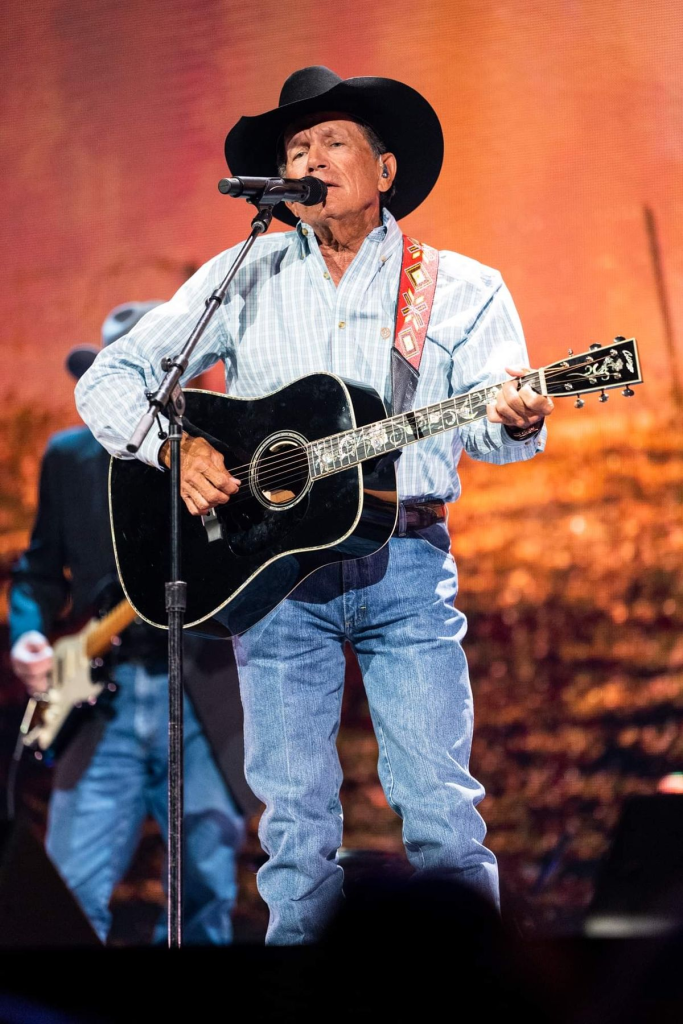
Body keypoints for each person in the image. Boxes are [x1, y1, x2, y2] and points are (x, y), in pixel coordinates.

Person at [75, 67, 554, 944]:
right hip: (270, 576)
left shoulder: (459, 286)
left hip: (404, 564)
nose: (309, 159)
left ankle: (476, 990)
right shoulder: (243, 273)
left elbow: (493, 424)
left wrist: (515, 411)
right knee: (292, 830)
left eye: (332, 141)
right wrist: (175, 449)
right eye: (296, 148)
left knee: (441, 810)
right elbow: (112, 378)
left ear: (385, 171)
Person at [10, 302, 255, 944]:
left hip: (203, 696)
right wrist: (28, 634)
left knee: (204, 898)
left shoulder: (224, 458)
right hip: (100, 701)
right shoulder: (69, 457)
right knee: (67, 900)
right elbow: (39, 571)